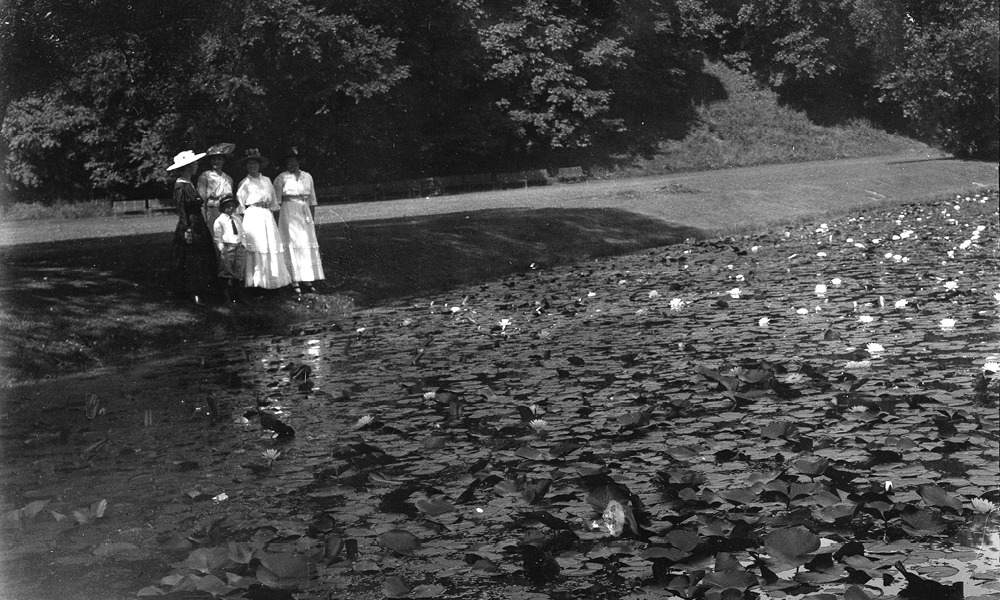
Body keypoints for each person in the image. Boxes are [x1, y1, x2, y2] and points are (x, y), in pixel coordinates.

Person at [236, 149, 292, 290]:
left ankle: (272, 280)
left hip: (266, 215)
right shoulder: (244, 183)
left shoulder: (267, 180)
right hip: (252, 216)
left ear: (259, 165)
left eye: (255, 163)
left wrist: (270, 213)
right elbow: (240, 205)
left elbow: (273, 201)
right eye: (249, 164)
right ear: (246, 167)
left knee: (269, 245)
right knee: (257, 247)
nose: (252, 166)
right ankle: (256, 282)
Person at [167, 149, 216, 305]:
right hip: (189, 225)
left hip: (198, 223)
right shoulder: (180, 186)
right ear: (188, 166)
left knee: (201, 257)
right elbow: (181, 210)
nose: (196, 166)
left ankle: (202, 289)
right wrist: (187, 229)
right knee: (191, 258)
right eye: (194, 164)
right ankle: (193, 292)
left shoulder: (190, 184)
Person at [274, 147, 324, 294]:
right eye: (289, 161)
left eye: (294, 161)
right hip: (288, 212)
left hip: (304, 212)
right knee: (292, 243)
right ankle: (294, 280)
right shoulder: (281, 178)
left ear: (298, 161)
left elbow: (312, 200)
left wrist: (312, 221)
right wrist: (278, 224)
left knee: (305, 244)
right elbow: (277, 203)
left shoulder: (307, 177)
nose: (292, 164)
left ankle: (307, 279)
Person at [213, 196, 246, 303]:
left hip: (238, 246)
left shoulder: (238, 219)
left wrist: (243, 244)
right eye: (227, 207)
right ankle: (225, 296)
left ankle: (237, 294)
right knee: (226, 271)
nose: (230, 208)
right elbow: (217, 237)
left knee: (238, 271)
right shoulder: (219, 221)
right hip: (228, 247)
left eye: (232, 206)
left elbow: (243, 232)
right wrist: (222, 249)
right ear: (222, 208)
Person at [197, 143, 235, 225]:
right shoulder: (205, 176)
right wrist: (204, 218)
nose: (216, 161)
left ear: (223, 161)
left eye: (219, 159)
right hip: (212, 211)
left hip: (227, 212)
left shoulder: (228, 179)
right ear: (210, 161)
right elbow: (202, 200)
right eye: (213, 159)